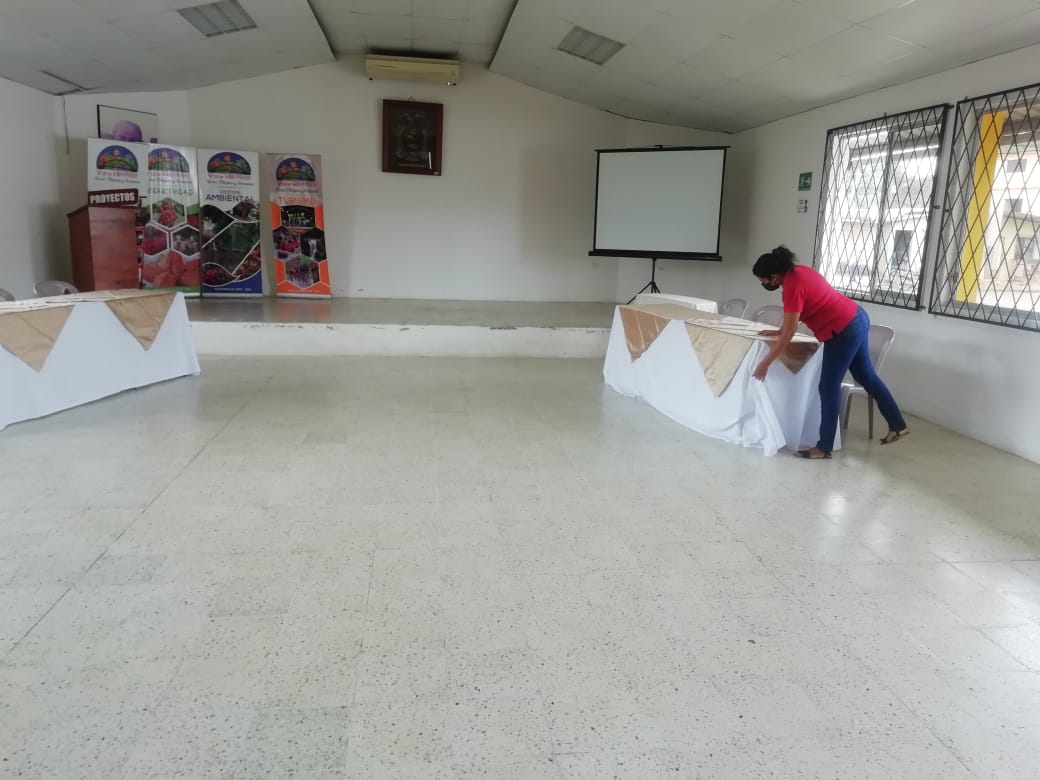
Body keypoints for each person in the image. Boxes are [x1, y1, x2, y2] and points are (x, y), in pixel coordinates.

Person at [751, 245, 910, 459]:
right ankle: (898, 425)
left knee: (828, 387)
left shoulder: (791, 288)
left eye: (763, 280)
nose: (763, 284)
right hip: (857, 317)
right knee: (866, 376)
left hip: (842, 330)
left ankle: (824, 447)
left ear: (774, 276)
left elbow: (790, 331)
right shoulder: (801, 271)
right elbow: (791, 324)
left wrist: (765, 363)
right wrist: (779, 331)